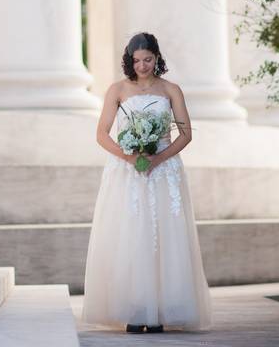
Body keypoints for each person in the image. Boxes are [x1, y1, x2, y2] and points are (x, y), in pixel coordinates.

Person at [82, 32, 213, 333]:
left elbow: (185, 133)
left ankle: (162, 311)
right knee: (130, 236)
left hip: (163, 171)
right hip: (126, 172)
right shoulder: (117, 90)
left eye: (148, 59)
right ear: (129, 60)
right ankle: (135, 310)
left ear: (157, 58)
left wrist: (158, 158)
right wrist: (129, 157)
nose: (142, 65)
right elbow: (102, 133)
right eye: (136, 60)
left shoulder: (171, 90)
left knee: (165, 237)